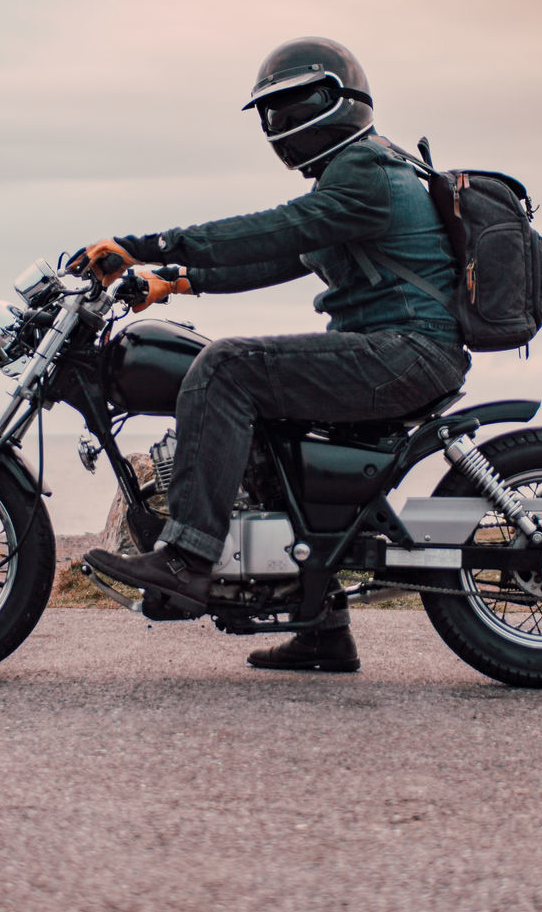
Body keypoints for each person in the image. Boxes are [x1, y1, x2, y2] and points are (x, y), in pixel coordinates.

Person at [80, 37, 469, 672]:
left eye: (292, 107)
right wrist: (175, 279)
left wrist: (146, 244)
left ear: (339, 101)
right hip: (386, 349)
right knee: (264, 427)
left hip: (404, 351)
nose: (280, 125)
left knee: (226, 367)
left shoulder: (364, 171)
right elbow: (277, 255)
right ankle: (322, 628)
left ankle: (186, 558)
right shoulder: (354, 175)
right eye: (270, 113)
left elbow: (278, 227)